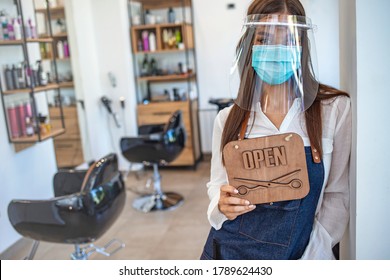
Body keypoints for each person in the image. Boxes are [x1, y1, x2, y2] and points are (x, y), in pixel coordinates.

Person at [200, 0, 351, 260]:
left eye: (288, 39)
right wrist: (221, 205)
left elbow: (337, 196)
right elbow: (217, 184)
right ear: (250, 46)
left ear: (302, 44)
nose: (275, 49)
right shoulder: (228, 120)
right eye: (264, 39)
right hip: (228, 253)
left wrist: (312, 258)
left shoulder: (333, 110)